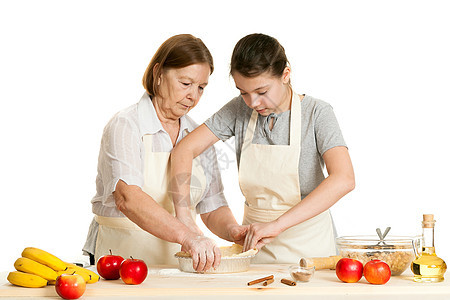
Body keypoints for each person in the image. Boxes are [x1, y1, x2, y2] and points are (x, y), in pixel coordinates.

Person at [170, 33, 355, 264]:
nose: (253, 103)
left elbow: (344, 178)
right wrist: (184, 219)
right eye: (243, 92)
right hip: (254, 250)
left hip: (311, 251)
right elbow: (183, 150)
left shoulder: (317, 113)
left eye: (262, 92)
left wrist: (277, 226)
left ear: (285, 75)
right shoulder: (240, 109)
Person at [82, 34, 247, 272]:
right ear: (159, 74)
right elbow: (128, 199)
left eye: (201, 87)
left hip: (178, 266)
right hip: (122, 260)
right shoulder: (126, 125)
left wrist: (233, 231)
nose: (194, 96)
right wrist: (189, 237)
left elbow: (212, 205)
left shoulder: (197, 134)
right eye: (185, 83)